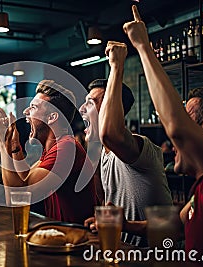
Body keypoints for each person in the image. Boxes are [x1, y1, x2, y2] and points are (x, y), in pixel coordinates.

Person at [121, 5, 203, 258]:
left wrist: (143, 47)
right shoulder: (202, 186)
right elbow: (176, 225)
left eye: (188, 120)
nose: (171, 136)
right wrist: (124, 225)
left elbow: (176, 127)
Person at [81, 43, 172, 246]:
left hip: (157, 257)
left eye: (91, 102)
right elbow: (110, 208)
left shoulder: (140, 148)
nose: (81, 108)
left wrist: (116, 66)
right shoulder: (103, 154)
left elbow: (111, 134)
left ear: (110, 108)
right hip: (124, 253)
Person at [0, 80, 97, 224]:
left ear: (52, 117)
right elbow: (25, 179)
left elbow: (18, 197)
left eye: (33, 107)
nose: (25, 112)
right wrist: (13, 144)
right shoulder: (53, 149)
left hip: (77, 239)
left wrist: (2, 144)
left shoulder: (67, 148)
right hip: (61, 236)